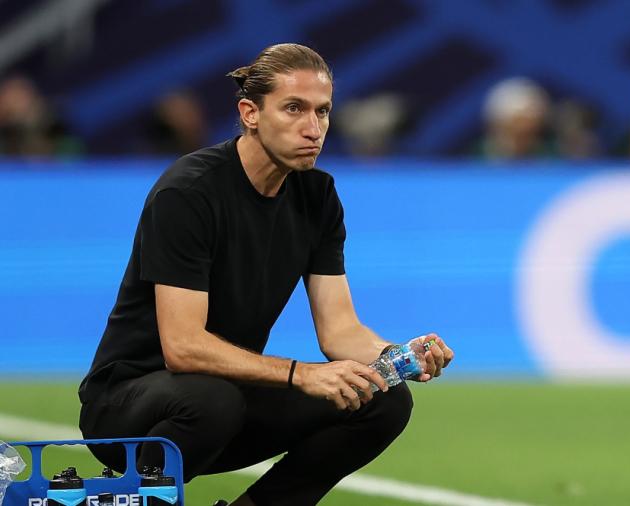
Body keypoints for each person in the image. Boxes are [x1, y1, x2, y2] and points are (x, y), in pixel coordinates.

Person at [77, 43, 454, 506]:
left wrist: (396, 356)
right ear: (250, 114)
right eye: (294, 108)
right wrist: (301, 375)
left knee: (380, 398)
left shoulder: (317, 195)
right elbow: (182, 347)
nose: (313, 128)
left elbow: (340, 331)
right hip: (128, 408)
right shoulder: (189, 192)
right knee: (212, 400)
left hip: (226, 399)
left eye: (322, 111)